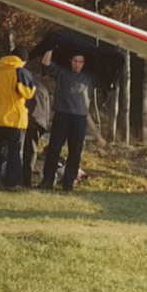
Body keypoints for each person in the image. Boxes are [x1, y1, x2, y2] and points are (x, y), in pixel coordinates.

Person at [38, 48, 98, 191]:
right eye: (75, 61)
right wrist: (51, 47)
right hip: (62, 115)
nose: (77, 64)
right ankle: (47, 180)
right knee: (54, 149)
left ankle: (68, 183)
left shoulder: (89, 76)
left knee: (75, 151)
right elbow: (46, 63)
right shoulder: (62, 73)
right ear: (70, 61)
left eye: (81, 62)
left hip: (79, 118)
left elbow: (106, 72)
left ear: (84, 63)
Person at [0, 46, 37, 189]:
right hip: (15, 116)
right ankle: (11, 182)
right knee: (14, 150)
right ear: (23, 60)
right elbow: (28, 93)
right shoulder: (20, 71)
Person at [22, 77, 51, 188]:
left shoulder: (22, 84)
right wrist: (44, 124)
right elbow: (46, 109)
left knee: (18, 148)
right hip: (38, 121)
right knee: (31, 150)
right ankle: (27, 179)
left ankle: (15, 177)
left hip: (23, 119)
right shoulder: (42, 88)